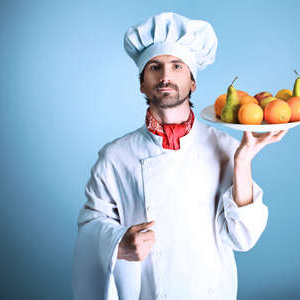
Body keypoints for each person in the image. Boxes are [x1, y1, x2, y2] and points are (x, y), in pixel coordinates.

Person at [72, 12, 287, 300]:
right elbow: (90, 225)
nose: (165, 76)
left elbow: (243, 237)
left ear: (193, 82)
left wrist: (243, 161)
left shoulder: (225, 147)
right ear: (142, 84)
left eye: (177, 66)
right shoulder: (115, 156)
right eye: (154, 67)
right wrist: (118, 242)